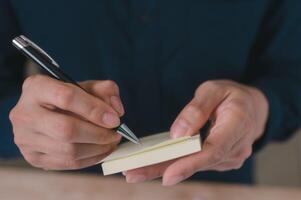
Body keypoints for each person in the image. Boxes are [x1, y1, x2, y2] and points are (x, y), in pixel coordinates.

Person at [1, 0, 301, 186]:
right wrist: (21, 126)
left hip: (221, 188)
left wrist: (259, 108)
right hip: (72, 190)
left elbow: (292, 75)